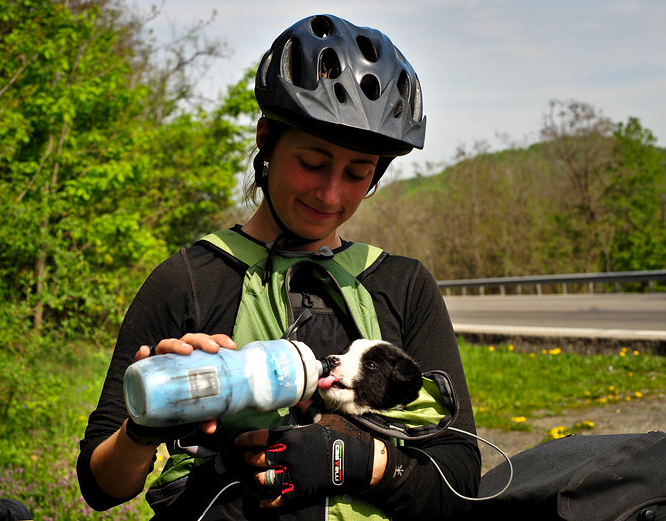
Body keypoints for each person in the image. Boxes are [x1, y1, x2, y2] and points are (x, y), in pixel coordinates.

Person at [77, 13, 481, 520]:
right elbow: (100, 486)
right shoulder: (190, 279)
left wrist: (357, 461)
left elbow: (461, 479)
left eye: (358, 173)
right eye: (312, 162)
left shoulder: (403, 285)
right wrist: (146, 421)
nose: (330, 193)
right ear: (266, 139)